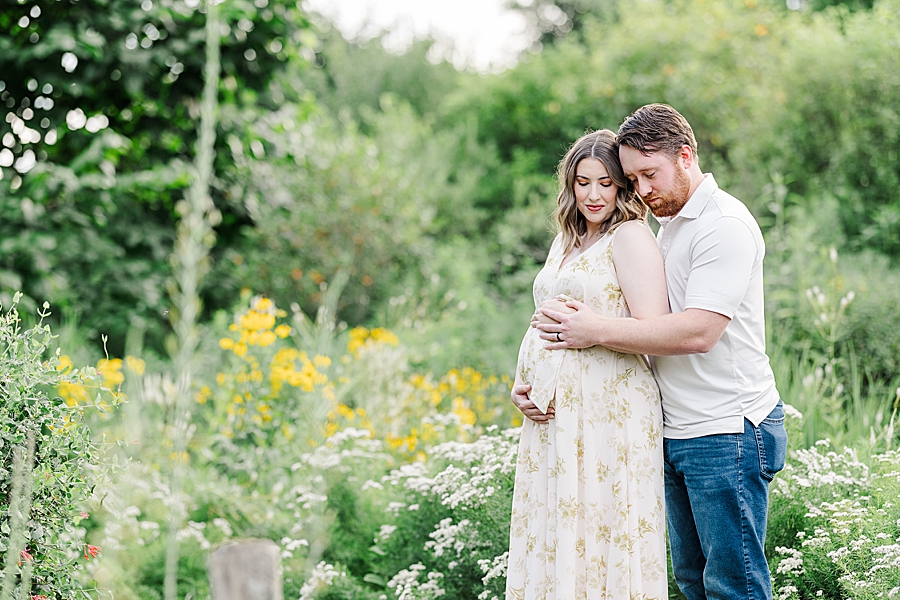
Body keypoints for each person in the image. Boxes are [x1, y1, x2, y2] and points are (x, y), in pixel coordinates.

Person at [523, 104, 788, 600]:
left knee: (734, 586)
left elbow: (698, 333)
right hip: (673, 426)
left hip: (726, 428)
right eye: (634, 178)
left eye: (650, 175)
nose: (642, 190)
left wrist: (595, 329)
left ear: (684, 157)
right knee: (692, 582)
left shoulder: (723, 223)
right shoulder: (672, 223)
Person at [506, 129, 670, 599]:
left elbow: (654, 328)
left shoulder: (631, 237)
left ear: (621, 186)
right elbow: (544, 316)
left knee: (603, 528)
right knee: (557, 531)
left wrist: (594, 327)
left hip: (608, 411)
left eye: (605, 183)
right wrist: (524, 381)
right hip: (554, 419)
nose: (593, 195)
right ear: (570, 185)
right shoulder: (568, 239)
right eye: (583, 182)